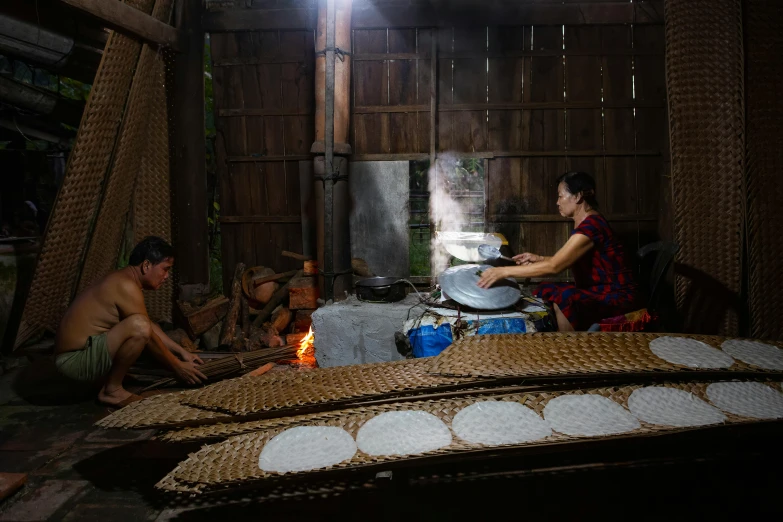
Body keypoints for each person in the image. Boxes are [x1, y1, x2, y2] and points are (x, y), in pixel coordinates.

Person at [478, 172, 640, 331]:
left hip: (618, 296)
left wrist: (502, 271)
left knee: (564, 296)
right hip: (600, 291)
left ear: (577, 197)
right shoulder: (588, 223)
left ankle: (566, 346)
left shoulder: (592, 226)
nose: (557, 202)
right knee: (549, 288)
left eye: (560, 196)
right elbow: (567, 259)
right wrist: (540, 258)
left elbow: (556, 266)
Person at [55, 236, 206, 407]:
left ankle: (106, 382)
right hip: (74, 362)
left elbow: (149, 325)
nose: (166, 276)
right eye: (165, 269)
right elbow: (144, 330)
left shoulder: (122, 278)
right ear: (147, 265)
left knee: (142, 323)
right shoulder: (126, 286)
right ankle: (112, 391)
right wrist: (178, 367)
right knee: (139, 326)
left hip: (80, 355)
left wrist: (181, 352)